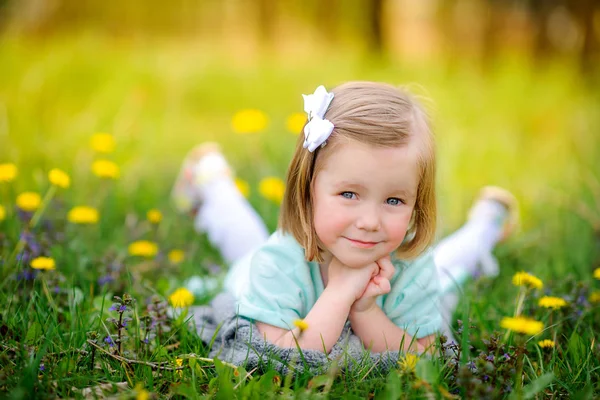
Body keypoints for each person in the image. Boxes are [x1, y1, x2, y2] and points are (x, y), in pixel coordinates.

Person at [171, 81, 517, 355]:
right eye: (349, 194)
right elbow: (282, 354)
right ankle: (210, 179)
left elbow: (422, 357)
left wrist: (366, 311)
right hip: (258, 267)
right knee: (245, 241)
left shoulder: (411, 266)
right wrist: (340, 292)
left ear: (417, 205)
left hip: (411, 270)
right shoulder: (276, 262)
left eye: (394, 200)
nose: (370, 221)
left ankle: (487, 224)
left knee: (443, 272)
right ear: (308, 190)